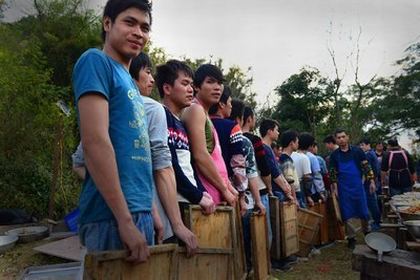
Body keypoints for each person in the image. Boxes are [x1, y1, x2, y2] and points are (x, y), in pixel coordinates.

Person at [72, 51, 198, 254]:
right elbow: (163, 167)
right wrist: (177, 224)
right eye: (147, 72)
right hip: (130, 216)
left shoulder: (129, 107)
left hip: (137, 211)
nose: (152, 79)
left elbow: (79, 162)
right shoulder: (153, 109)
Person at [72, 0, 154, 261]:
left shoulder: (130, 82)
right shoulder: (95, 61)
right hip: (111, 217)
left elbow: (136, 153)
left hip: (139, 211)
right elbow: (95, 141)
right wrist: (125, 219)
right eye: (129, 22)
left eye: (145, 27)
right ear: (107, 23)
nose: (138, 32)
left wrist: (150, 209)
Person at [155, 59, 216, 216]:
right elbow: (170, 164)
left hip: (189, 199)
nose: (191, 90)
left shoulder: (180, 122)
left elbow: (188, 164)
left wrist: (201, 191)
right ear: (167, 88)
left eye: (191, 84)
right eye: (185, 84)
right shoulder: (161, 115)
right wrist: (197, 195)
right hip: (175, 201)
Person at [182, 64, 238, 206]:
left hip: (217, 190)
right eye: (210, 82)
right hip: (209, 191)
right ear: (196, 87)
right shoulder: (195, 109)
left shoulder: (204, 112)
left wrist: (228, 187)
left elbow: (214, 156)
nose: (217, 87)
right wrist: (224, 189)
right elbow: (200, 155)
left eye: (219, 83)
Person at [229, 99, 265, 272]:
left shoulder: (209, 129)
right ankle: (247, 270)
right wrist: (258, 201)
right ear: (241, 118)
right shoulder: (244, 141)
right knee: (245, 242)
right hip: (242, 200)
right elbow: (251, 173)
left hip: (219, 199)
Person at [329, 129, 375, 249]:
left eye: (343, 136)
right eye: (338, 137)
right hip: (343, 188)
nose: (341, 139)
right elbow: (333, 172)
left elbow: (366, 166)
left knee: (363, 211)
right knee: (347, 213)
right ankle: (351, 238)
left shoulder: (357, 151)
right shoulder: (334, 155)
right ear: (336, 140)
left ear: (348, 137)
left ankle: (367, 232)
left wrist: (371, 181)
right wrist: (334, 187)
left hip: (358, 186)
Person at [209, 86, 247, 212]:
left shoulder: (201, 123)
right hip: (229, 189)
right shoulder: (232, 127)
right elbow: (238, 164)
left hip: (208, 186)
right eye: (229, 102)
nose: (231, 106)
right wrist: (241, 194)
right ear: (221, 104)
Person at [241, 106, 273, 245]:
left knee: (246, 238)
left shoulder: (230, 138)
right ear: (249, 119)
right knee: (263, 235)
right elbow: (264, 169)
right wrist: (269, 187)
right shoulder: (254, 140)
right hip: (259, 191)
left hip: (241, 194)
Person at [260, 119, 295, 203]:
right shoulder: (264, 148)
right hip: (275, 192)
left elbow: (277, 170)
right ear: (269, 131)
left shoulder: (269, 148)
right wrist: (285, 189)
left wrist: (286, 184)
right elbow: (274, 172)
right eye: (276, 130)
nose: (278, 133)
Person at [359, 138, 381, 231]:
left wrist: (370, 181)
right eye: (360, 145)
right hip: (373, 180)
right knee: (372, 201)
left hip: (369, 182)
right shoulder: (372, 154)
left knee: (372, 202)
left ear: (368, 145)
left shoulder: (368, 155)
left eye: (363, 145)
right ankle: (376, 221)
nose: (361, 147)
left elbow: (368, 170)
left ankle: (376, 222)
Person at [279, 130, 305, 208]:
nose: (298, 144)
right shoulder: (287, 159)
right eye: (297, 141)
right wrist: (294, 198)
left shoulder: (283, 157)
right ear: (291, 143)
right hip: (294, 193)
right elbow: (290, 180)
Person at [299, 133, 326, 203]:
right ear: (310, 145)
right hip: (312, 192)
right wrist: (321, 192)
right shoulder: (312, 157)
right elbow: (317, 176)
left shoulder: (294, 155)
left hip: (300, 191)